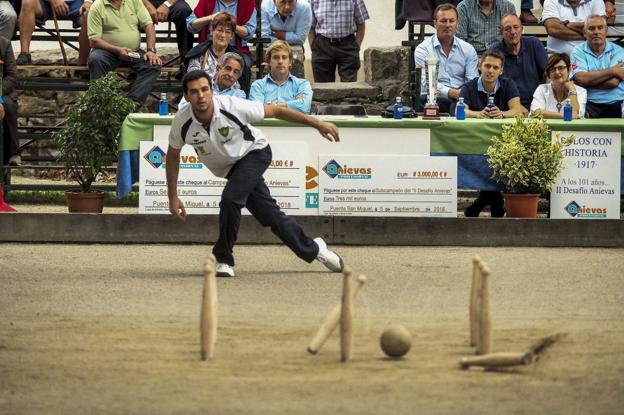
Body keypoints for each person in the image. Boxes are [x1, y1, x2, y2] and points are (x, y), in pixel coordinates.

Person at [166, 70, 344, 277]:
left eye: (205, 89)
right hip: (230, 169)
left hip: (255, 153)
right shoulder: (182, 121)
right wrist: (173, 197)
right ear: (186, 97)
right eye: (194, 92)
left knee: (230, 200)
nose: (201, 96)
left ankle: (223, 259)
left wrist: (318, 124)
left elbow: (276, 111)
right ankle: (315, 249)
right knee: (271, 216)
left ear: (212, 91)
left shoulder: (233, 107)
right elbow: (172, 155)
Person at [459, 50, 526, 218]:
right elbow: (459, 111)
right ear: (479, 66)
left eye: (495, 67)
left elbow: (518, 110)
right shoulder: (469, 86)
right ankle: (495, 201)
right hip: (475, 140)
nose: (490, 70)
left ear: (501, 70)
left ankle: (483, 200)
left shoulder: (508, 84)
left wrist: (502, 114)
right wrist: (478, 114)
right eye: (487, 66)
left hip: (503, 140)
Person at [87, 0, 162, 106]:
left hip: (133, 51)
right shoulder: (97, 6)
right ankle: (101, 105)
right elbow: (94, 40)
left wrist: (151, 51)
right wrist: (117, 50)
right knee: (95, 59)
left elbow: (149, 25)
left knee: (153, 64)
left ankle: (129, 105)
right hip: (107, 52)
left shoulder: (134, 1)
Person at [413, 2, 478, 115]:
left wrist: (462, 93)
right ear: (435, 23)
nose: (448, 25)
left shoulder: (468, 49)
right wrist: (451, 92)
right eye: (443, 21)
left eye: (451, 21)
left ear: (457, 23)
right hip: (432, 98)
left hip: (462, 97)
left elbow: (472, 80)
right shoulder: (423, 49)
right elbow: (426, 83)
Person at [488, 13, 548, 111]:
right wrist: (516, 107)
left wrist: (542, 103)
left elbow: (548, 74)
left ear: (522, 29)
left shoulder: (534, 44)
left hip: (538, 104)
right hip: (507, 106)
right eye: (508, 29)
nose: (513, 32)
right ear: (501, 32)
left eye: (516, 27)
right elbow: (491, 85)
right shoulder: (494, 52)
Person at [182, 11, 250, 95]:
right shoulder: (199, 54)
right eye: (219, 30)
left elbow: (242, 88)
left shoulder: (237, 59)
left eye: (228, 32)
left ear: (232, 35)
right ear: (211, 31)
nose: (223, 35)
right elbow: (193, 84)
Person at [570, 14, 624, 118]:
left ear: (606, 31)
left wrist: (586, 82)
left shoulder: (619, 51)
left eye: (600, 28)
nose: (596, 32)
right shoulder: (577, 51)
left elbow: (613, 82)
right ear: (584, 33)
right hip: (588, 103)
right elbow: (580, 78)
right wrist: (612, 70)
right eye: (591, 28)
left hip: (617, 102)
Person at [308, 0, 369, 82]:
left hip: (347, 45)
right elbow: (310, 27)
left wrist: (356, 47)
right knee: (323, 89)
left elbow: (361, 23)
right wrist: (314, 48)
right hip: (322, 47)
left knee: (349, 88)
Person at [186, 0, 256, 70]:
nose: (223, 35)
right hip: (209, 47)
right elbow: (190, 25)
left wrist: (230, 25)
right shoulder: (206, 1)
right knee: (194, 62)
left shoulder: (248, 2)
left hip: (237, 49)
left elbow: (249, 32)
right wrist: (211, 18)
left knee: (244, 65)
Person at [16, 0, 90, 66]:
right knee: (27, 2)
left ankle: (82, 63)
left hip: (77, 3)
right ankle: (24, 54)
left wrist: (88, 2)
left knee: (89, 13)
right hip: (45, 3)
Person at [249, 40, 312, 114]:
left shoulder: (302, 84)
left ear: (290, 62)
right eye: (276, 57)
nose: (280, 61)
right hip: (267, 126)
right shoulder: (258, 86)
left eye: (284, 57)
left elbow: (304, 107)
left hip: (294, 125)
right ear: (269, 61)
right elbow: (257, 112)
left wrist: (270, 106)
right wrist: (294, 104)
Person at [260, 0, 312, 77]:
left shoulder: (304, 7)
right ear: (274, 1)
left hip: (295, 52)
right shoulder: (266, 5)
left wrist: (276, 34)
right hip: (271, 50)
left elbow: (300, 38)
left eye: (291, 2)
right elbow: (265, 38)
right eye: (282, 2)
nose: (287, 7)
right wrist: (290, 36)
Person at [179, 52, 246, 108]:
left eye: (235, 72)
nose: (230, 74)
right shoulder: (200, 86)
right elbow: (183, 107)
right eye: (228, 69)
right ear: (218, 69)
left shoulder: (239, 95)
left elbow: (235, 113)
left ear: (238, 76)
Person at [530, 52, 587, 119]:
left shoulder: (580, 91)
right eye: (553, 69)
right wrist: (563, 116)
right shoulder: (542, 89)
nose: (557, 72)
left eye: (561, 68)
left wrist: (572, 90)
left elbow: (576, 115)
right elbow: (534, 112)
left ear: (569, 70)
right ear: (548, 74)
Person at [1, 35, 19, 166]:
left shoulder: (4, 44)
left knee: (8, 105)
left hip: (1, 90)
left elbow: (12, 76)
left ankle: (12, 154)